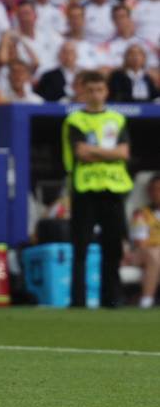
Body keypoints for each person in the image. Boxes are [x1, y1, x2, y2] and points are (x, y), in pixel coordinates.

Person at [62, 71, 132, 309]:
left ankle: (111, 300)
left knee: (113, 246)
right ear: (83, 92)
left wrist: (96, 152)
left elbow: (124, 152)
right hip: (85, 188)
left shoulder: (117, 119)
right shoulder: (75, 120)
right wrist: (110, 153)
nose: (95, 94)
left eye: (99, 90)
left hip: (113, 188)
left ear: (106, 91)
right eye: (90, 90)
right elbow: (81, 153)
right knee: (80, 246)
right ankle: (78, 301)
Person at [128, 175, 160, 309]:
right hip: (142, 253)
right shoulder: (141, 213)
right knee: (155, 254)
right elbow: (140, 242)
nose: (157, 193)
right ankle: (146, 301)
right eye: (155, 189)